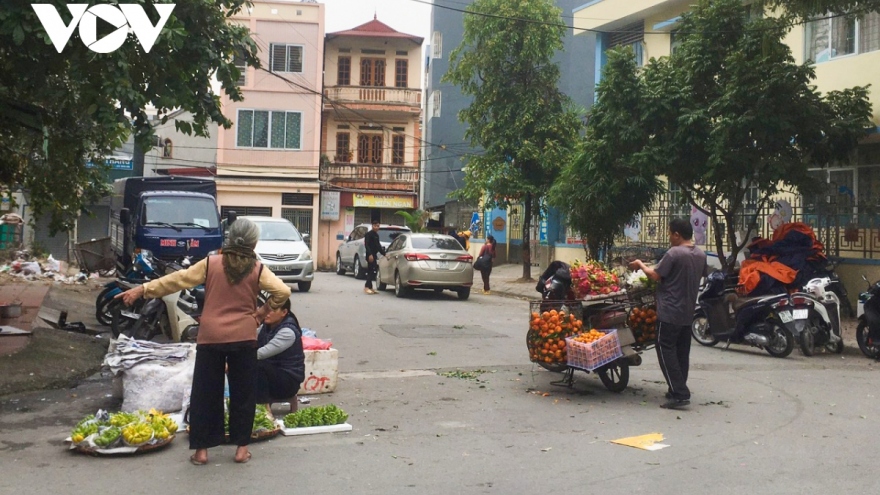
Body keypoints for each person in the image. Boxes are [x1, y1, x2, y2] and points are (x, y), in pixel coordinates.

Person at [117, 218, 291, 465]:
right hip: (244, 337)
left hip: (211, 337)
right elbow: (283, 292)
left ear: (230, 238)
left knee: (205, 393)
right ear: (253, 242)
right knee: (244, 393)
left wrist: (142, 289)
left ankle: (202, 452)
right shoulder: (258, 269)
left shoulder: (211, 263)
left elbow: (176, 280)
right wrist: (261, 314)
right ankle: (241, 449)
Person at [629, 217, 706, 410]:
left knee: (665, 349)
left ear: (677, 234)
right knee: (681, 352)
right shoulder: (699, 254)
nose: (669, 237)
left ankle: (680, 393)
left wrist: (640, 264)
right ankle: (677, 388)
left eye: (670, 233)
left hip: (670, 311)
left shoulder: (674, 253)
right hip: (687, 311)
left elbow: (655, 275)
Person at [256, 298, 305, 419]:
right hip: (273, 374)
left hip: (288, 381)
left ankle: (264, 410)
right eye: (266, 309)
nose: (267, 313)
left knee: (255, 365)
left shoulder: (287, 332)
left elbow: (260, 354)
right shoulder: (266, 326)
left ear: (284, 312)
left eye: (272, 310)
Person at [364, 220, 385, 294]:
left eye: (378, 226)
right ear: (372, 226)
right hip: (369, 255)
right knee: (371, 270)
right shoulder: (368, 234)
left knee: (372, 270)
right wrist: (370, 254)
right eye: (375, 226)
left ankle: (370, 287)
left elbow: (378, 246)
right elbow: (366, 245)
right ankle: (366, 287)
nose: (376, 227)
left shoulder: (376, 235)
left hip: (374, 254)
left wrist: (384, 254)